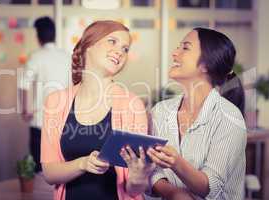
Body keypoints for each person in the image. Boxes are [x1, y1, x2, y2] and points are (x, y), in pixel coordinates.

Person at [41, 20, 155, 200]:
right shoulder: (56, 102)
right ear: (88, 45)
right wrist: (82, 164)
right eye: (112, 41)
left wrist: (138, 177)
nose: (120, 51)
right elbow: (49, 173)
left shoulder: (133, 104)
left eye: (125, 48)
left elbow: (134, 190)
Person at [146, 28, 247, 200]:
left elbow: (211, 186)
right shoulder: (160, 111)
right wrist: (172, 192)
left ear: (206, 64)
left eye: (185, 48)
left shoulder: (229, 117)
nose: (174, 53)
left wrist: (176, 162)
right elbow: (152, 171)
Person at [18, 16, 71, 172]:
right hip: (63, 123)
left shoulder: (36, 56)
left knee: (40, 168)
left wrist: (25, 110)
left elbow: (23, 84)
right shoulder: (67, 57)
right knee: (61, 167)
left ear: (38, 36)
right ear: (54, 35)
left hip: (40, 123)